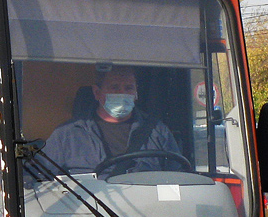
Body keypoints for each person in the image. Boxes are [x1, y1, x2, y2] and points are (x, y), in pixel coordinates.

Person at [43, 64, 181, 175]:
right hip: (90, 208)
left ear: (136, 93)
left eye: (128, 88)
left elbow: (178, 176)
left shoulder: (157, 131)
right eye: (114, 87)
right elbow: (37, 177)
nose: (122, 93)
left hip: (146, 207)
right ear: (97, 93)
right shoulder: (67, 134)